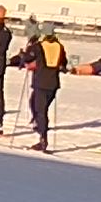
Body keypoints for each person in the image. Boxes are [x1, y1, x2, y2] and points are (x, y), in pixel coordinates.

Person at [18, 23, 69, 151]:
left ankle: (43, 138)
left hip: (41, 82)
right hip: (53, 84)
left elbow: (29, 58)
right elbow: (64, 63)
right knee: (36, 105)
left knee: (41, 111)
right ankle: (38, 126)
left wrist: (23, 55)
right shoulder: (60, 47)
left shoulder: (38, 46)